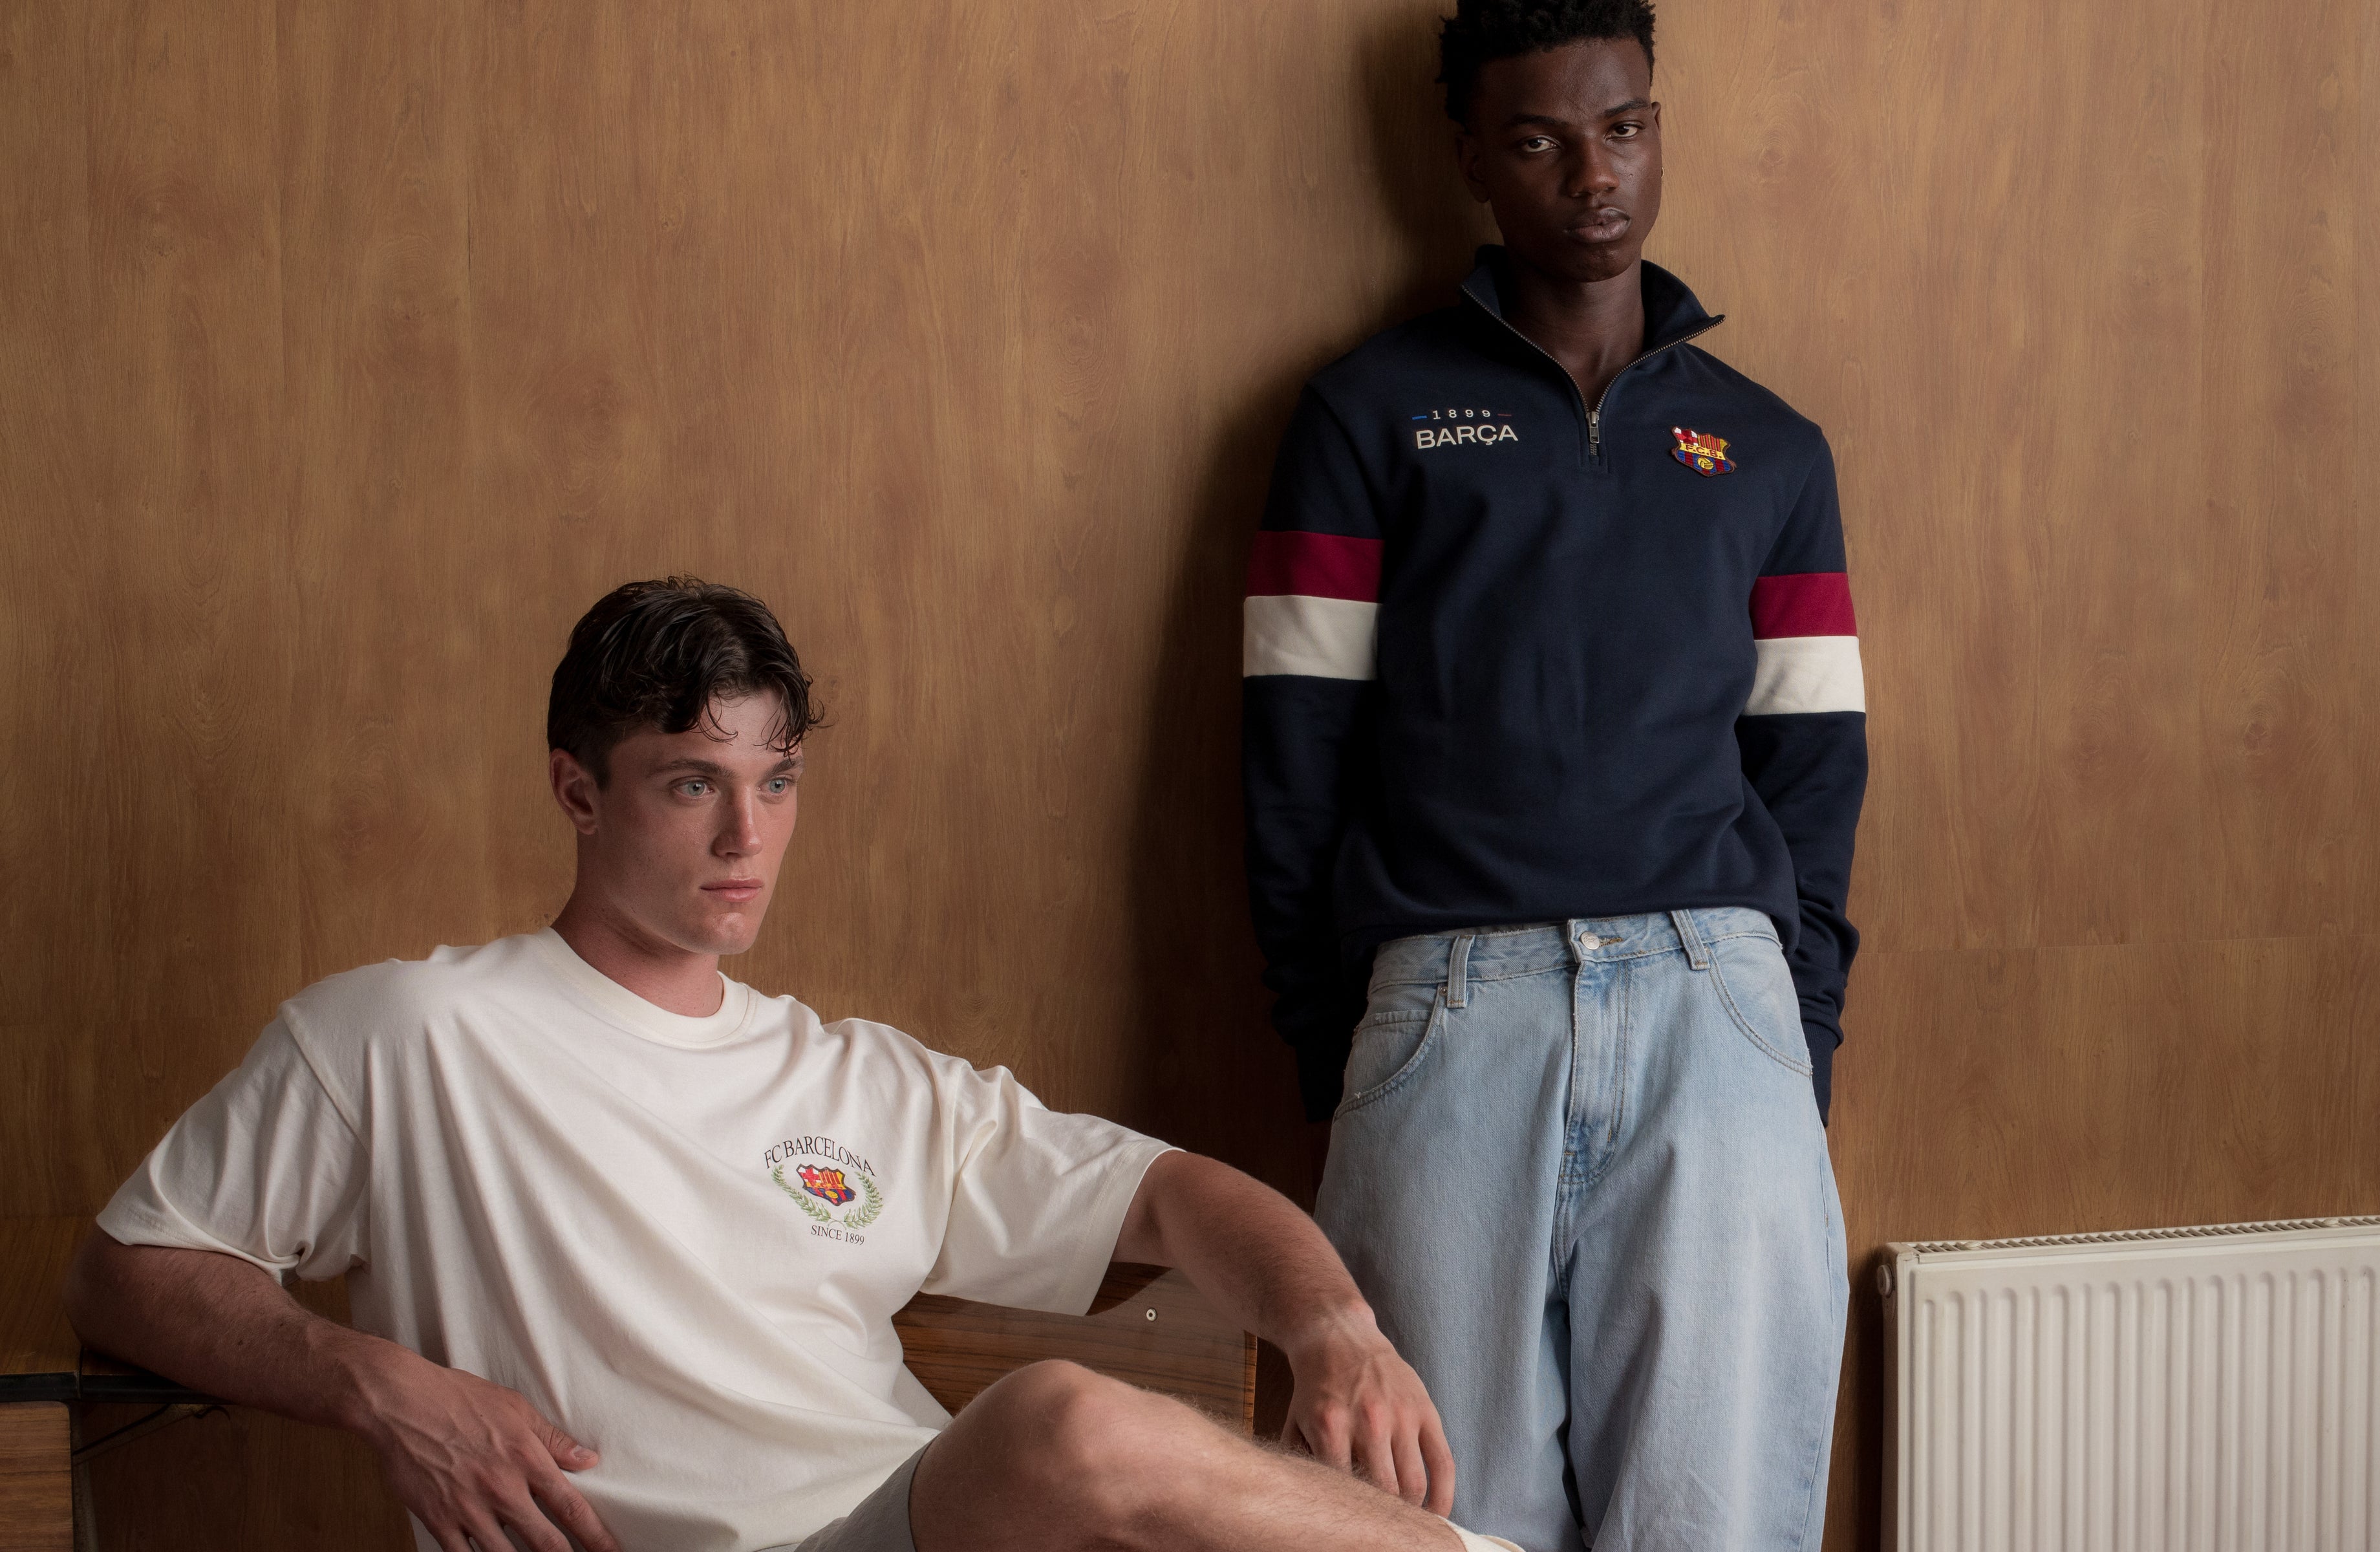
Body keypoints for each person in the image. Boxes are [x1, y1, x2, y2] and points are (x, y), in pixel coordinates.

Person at [65, 578, 1527, 1552]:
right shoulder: (407, 1036)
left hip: (907, 1524)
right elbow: (131, 1269)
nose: (746, 838)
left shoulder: (863, 1083)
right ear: (578, 791)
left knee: (1080, 1451)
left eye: (776, 783)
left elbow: (1172, 1194)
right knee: (1064, 1421)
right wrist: (379, 1386)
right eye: (691, 784)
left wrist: (1338, 1329)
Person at [1239, 2, 1867, 1547]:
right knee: (1434, 1522)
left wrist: (1792, 1039)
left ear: (1658, 127)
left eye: (1625, 128)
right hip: (1452, 1009)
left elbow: (1814, 771)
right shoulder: (1363, 416)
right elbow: (1291, 758)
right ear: (1471, 156)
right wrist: (1341, 1047)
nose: (1595, 176)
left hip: (1718, 1009)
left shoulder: (1771, 450)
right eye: (1540, 139)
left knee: (1715, 1518)